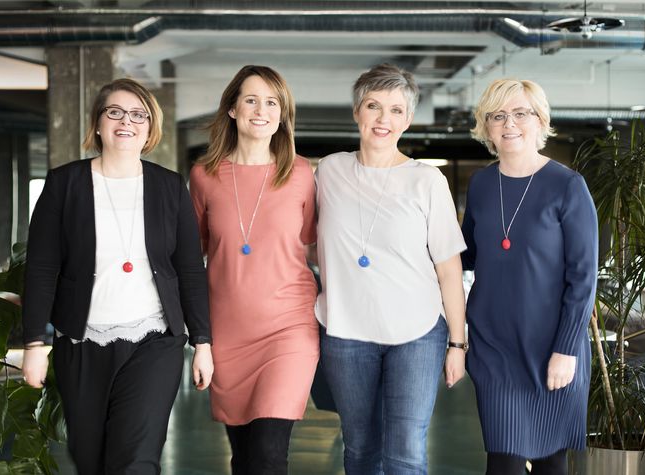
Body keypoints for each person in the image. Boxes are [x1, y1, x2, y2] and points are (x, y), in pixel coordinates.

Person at [21, 78, 213, 475]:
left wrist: (203, 341)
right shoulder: (64, 183)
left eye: (139, 114)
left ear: (150, 127)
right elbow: (42, 267)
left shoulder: (169, 186)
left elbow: (190, 269)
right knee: (91, 459)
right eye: (116, 112)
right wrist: (35, 342)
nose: (127, 121)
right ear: (98, 123)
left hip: (154, 340)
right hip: (82, 341)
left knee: (136, 460)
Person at [315, 63, 468, 474]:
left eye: (396, 110)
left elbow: (449, 269)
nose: (384, 119)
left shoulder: (427, 180)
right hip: (346, 333)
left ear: (409, 118)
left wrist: (457, 343)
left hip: (416, 334)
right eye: (373, 106)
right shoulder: (328, 171)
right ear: (356, 112)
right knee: (360, 447)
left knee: (406, 452)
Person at [463, 78, 598, 475]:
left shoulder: (568, 186)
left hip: (551, 347)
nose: (510, 123)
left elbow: (583, 277)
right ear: (485, 126)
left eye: (520, 113)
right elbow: (468, 254)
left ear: (540, 120)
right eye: (498, 115)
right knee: (502, 463)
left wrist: (567, 349)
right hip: (494, 346)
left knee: (550, 465)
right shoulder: (483, 184)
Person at [189, 65, 318, 475]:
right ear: (232, 108)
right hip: (227, 334)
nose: (261, 110)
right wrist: (200, 340)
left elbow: (319, 247)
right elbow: (192, 259)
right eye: (251, 100)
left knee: (267, 455)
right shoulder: (204, 176)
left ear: (282, 114)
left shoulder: (300, 173)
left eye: (272, 102)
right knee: (244, 458)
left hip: (289, 329)